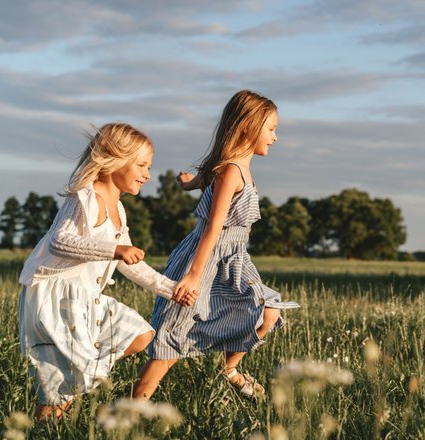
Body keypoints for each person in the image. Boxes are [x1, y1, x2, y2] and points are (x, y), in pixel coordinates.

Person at [18, 123, 195, 420]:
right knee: (60, 384)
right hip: (56, 297)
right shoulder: (85, 197)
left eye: (148, 166)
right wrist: (114, 250)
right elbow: (60, 241)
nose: (147, 174)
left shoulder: (119, 210)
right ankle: (47, 422)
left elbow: (132, 265)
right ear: (113, 159)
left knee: (140, 335)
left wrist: (172, 289)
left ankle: (71, 388)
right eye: (141, 165)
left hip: (85, 300)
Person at [133, 90, 300, 400]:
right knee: (172, 336)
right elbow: (213, 226)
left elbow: (204, 176)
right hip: (204, 258)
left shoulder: (231, 168)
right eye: (271, 128)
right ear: (249, 126)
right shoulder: (230, 171)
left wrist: (188, 183)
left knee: (268, 313)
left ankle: (229, 370)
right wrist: (194, 275)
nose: (275, 137)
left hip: (233, 258)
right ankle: (131, 409)